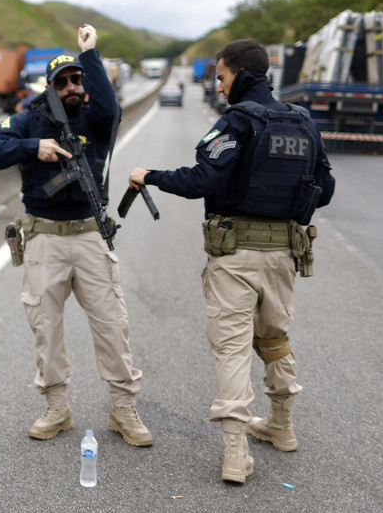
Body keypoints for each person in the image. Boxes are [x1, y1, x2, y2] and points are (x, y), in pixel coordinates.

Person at [130, 38, 335, 484]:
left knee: (233, 348)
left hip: (236, 255)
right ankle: (281, 425)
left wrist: (150, 176)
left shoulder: (237, 121)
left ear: (239, 74)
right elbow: (327, 187)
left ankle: (236, 455)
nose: (219, 87)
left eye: (221, 77)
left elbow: (202, 179)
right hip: (285, 253)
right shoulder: (302, 121)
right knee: (276, 338)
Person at [0, 24, 153, 448]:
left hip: (91, 235)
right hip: (44, 239)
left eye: (78, 79)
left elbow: (109, 104)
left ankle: (123, 408)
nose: (73, 86)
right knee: (46, 327)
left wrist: (90, 55)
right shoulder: (26, 119)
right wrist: (31, 146)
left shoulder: (95, 115)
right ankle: (57, 407)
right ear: (50, 87)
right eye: (64, 81)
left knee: (112, 325)